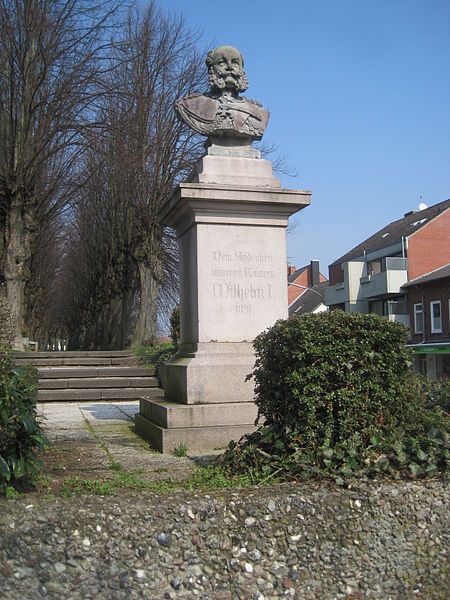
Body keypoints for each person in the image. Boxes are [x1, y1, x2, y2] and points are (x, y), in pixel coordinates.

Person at [175, 46, 269, 140]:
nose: (229, 67)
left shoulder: (258, 111)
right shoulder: (193, 105)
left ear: (242, 71)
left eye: (235, 63)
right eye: (221, 63)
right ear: (212, 69)